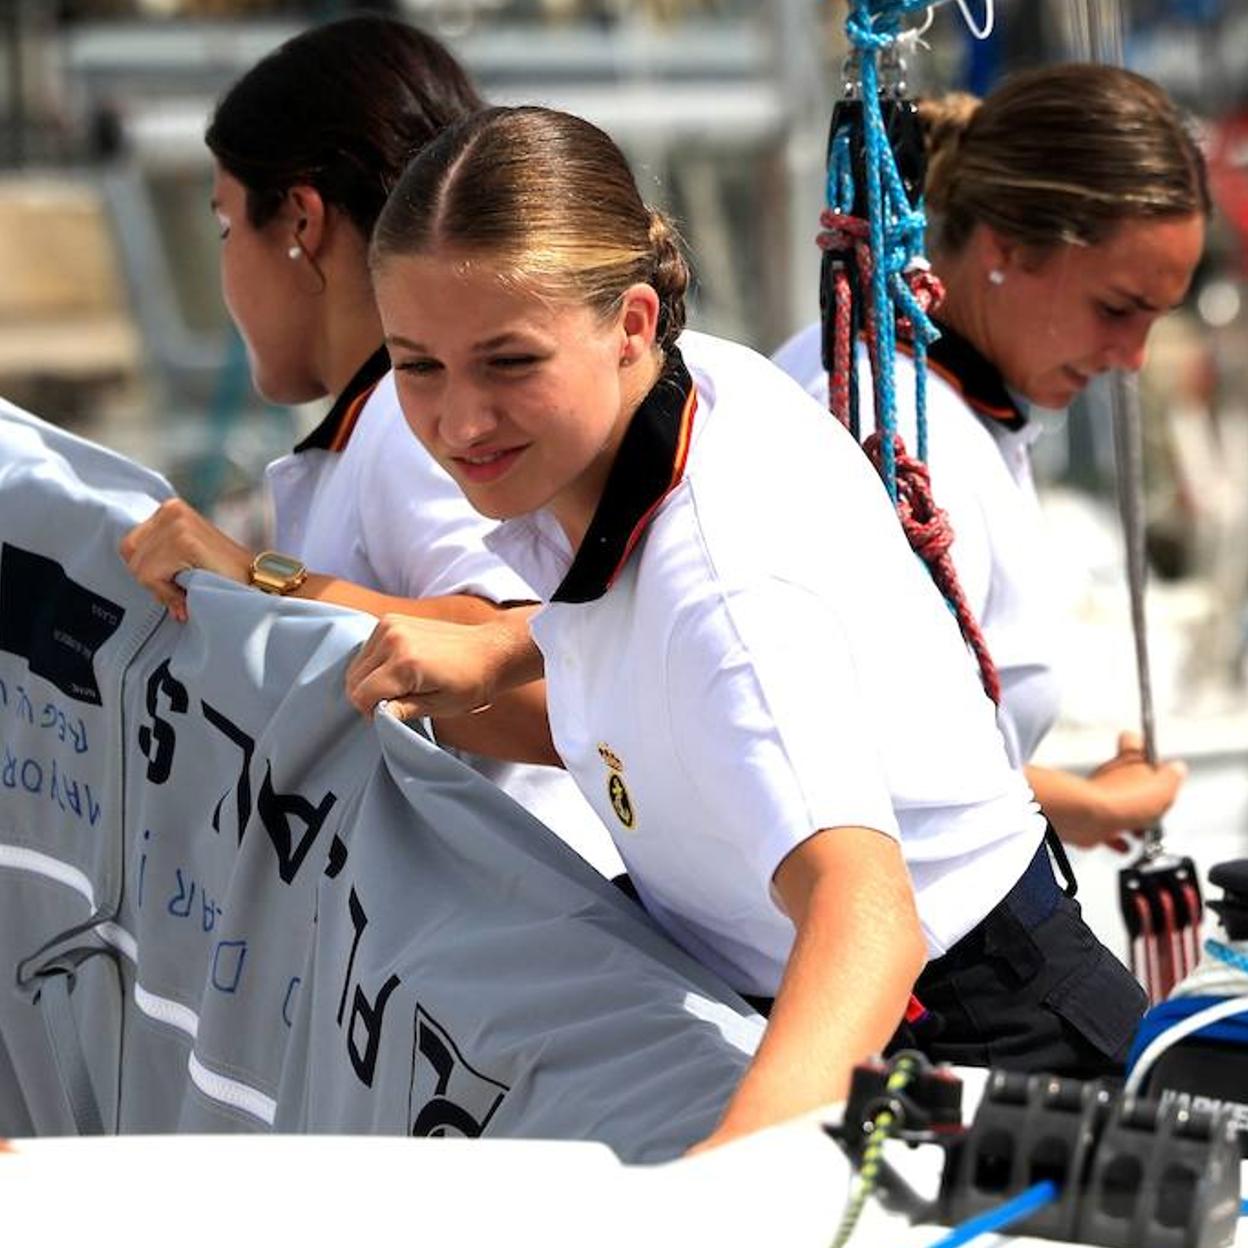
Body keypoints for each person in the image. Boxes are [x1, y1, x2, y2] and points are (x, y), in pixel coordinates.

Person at [345, 104, 1148, 1148]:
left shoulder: (726, 585)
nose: (459, 422)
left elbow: (866, 917)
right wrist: (504, 643)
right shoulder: (690, 392)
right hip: (872, 1000)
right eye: (418, 366)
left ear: (632, 323)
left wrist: (724, 1202)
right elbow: (657, 703)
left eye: (509, 363)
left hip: (966, 1044)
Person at [118, 16, 618, 874]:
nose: (227, 264)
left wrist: (254, 584)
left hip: (540, 938)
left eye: (225, 226)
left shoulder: (409, 418)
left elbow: (546, 684)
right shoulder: (391, 418)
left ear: (301, 222)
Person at [772, 65, 1203, 855]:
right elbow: (868, 752)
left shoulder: (923, 394)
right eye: (1115, 310)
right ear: (1006, 249)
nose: (1134, 358)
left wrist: (1064, 805)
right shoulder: (889, 424)